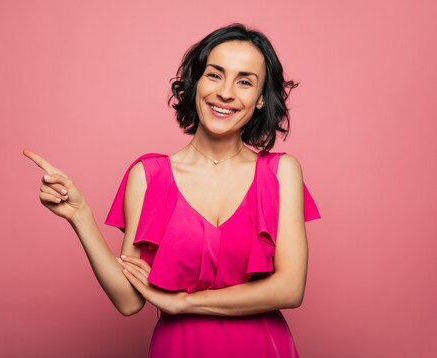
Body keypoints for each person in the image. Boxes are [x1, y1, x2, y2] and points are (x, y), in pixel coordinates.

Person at [24, 22, 321, 358]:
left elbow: (291, 288)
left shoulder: (281, 172)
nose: (225, 92)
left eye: (245, 81)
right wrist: (80, 215)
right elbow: (128, 299)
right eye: (214, 75)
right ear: (195, 84)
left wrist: (183, 302)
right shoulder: (149, 177)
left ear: (260, 101)